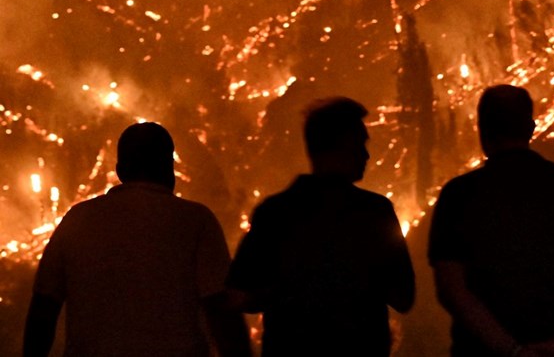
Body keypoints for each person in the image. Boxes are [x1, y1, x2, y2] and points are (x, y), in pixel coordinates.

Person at [23, 122, 251, 357]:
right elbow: (221, 310)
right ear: (170, 168)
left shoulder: (77, 220)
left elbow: (44, 308)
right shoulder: (196, 220)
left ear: (120, 171)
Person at [428, 84, 554, 357]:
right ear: (531, 128)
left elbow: (451, 287)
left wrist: (511, 350)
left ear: (482, 130)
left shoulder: (459, 195)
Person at [227, 97, 415, 356]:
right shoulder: (375, 213)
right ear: (341, 146)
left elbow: (238, 295)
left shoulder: (275, 213)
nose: (366, 154)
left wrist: (286, 291)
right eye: (361, 143)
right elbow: (404, 297)